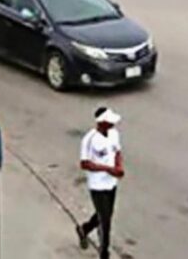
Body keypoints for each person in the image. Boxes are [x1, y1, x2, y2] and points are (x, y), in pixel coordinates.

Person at [77, 107, 124, 259]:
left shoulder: (114, 134)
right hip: (97, 185)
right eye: (109, 121)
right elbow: (85, 163)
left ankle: (84, 229)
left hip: (111, 183)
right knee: (105, 221)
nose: (113, 124)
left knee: (105, 214)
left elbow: (117, 151)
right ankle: (104, 253)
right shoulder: (89, 139)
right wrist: (107, 169)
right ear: (102, 122)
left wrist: (118, 167)